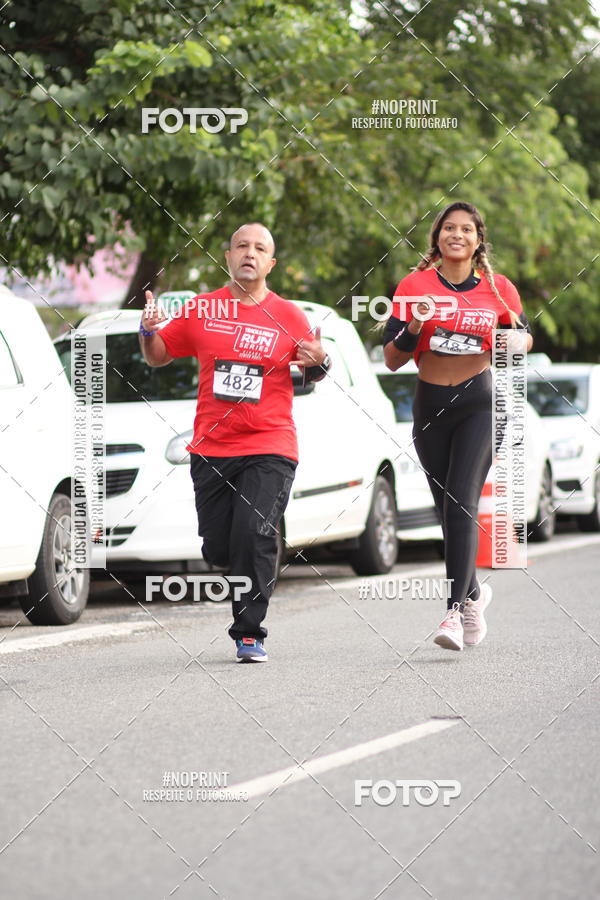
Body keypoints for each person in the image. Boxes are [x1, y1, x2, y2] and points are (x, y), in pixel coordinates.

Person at [139, 222, 331, 662]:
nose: (249, 253)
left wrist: (322, 360)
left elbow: (313, 372)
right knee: (220, 547)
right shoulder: (201, 309)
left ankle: (249, 632)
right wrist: (148, 330)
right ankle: (255, 547)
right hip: (212, 447)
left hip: (271, 443)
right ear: (227, 256)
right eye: (241, 246)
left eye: (260, 248)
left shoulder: (289, 316)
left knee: (253, 532)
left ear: (271, 262)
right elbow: (158, 357)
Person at [383, 201, 533, 651]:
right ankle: (473, 598)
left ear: (478, 240)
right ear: (437, 238)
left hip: (479, 406)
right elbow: (392, 358)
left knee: (463, 501)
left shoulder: (497, 288)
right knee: (448, 511)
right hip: (430, 407)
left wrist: (503, 337)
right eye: (449, 228)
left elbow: (523, 337)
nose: (457, 235)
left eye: (466, 229)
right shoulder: (414, 285)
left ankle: (451, 613)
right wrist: (414, 325)